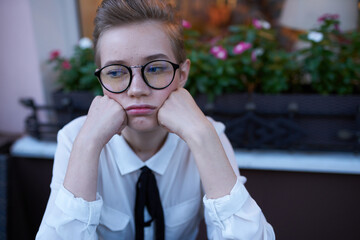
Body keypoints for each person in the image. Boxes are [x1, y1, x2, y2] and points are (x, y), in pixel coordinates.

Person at [36, 0, 275, 239]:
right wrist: (87, 145)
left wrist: (202, 136)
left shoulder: (206, 134)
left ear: (181, 75)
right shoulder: (75, 137)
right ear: (101, 82)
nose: (137, 89)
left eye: (155, 69)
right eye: (116, 72)